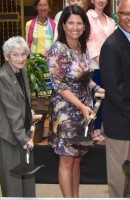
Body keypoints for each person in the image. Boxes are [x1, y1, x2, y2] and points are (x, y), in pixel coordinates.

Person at [47, 5, 103, 197]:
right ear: (63, 25)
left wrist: (97, 89)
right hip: (66, 111)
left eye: (79, 23)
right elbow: (58, 85)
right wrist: (81, 106)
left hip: (84, 110)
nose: (75, 27)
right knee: (67, 160)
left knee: (78, 157)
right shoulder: (58, 49)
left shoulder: (82, 46)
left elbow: (85, 78)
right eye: (71, 23)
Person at [99, 0, 130, 197]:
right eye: (126, 14)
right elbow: (115, 91)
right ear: (117, 16)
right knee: (120, 182)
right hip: (122, 123)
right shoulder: (111, 45)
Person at [0, 36, 35, 197]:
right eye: (15, 55)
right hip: (6, 133)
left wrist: (29, 113)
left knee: (27, 176)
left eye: (24, 54)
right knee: (13, 180)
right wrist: (24, 139)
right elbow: (12, 111)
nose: (21, 58)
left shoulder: (21, 70)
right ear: (7, 56)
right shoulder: (3, 76)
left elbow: (23, 98)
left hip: (20, 128)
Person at [87, 0, 116, 141]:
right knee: (95, 97)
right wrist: (102, 61)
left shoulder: (111, 20)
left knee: (105, 98)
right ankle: (93, 128)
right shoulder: (87, 17)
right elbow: (89, 42)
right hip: (94, 64)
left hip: (108, 65)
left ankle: (101, 127)